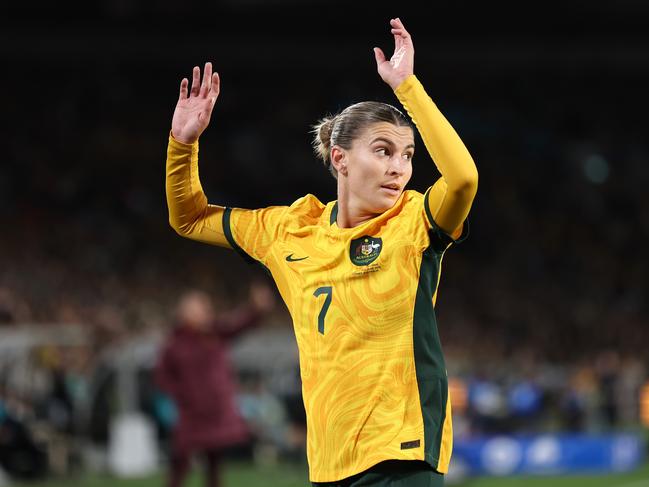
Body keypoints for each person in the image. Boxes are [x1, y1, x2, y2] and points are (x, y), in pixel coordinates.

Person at [165, 17, 478, 487]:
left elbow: (463, 179)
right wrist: (182, 144)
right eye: (384, 151)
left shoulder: (415, 222)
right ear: (340, 159)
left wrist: (407, 88)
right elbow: (188, 217)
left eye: (408, 155)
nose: (400, 169)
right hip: (329, 464)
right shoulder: (289, 230)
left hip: (402, 454)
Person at [154, 282, 275, 487]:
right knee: (180, 458)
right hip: (190, 411)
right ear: (185, 313)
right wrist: (182, 395)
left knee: (214, 461)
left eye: (206, 308)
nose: (205, 313)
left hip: (215, 408)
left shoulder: (214, 333)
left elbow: (238, 325)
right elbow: (162, 376)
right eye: (200, 309)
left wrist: (256, 309)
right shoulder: (174, 343)